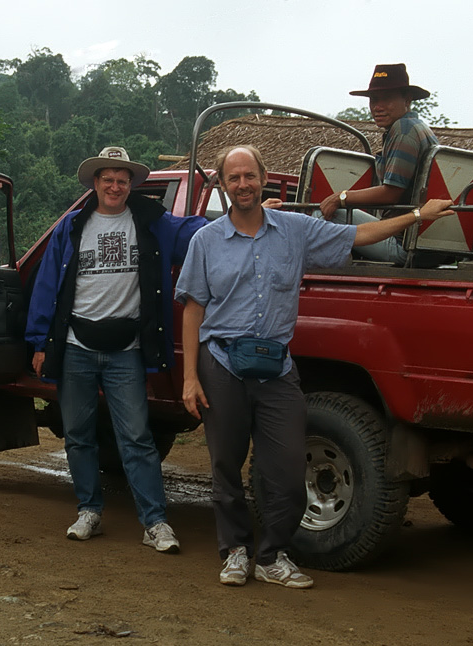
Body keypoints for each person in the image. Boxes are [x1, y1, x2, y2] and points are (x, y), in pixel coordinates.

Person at [175, 145, 453, 588]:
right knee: (225, 465)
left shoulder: (295, 230)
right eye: (233, 178)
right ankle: (235, 552)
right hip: (221, 361)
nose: (242, 184)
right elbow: (192, 308)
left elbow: (361, 237)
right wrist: (190, 377)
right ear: (223, 186)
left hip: (276, 365)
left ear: (263, 178)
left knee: (286, 470)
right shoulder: (205, 241)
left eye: (249, 175)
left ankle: (272, 556)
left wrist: (418, 216)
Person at [25, 147, 205, 552]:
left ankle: (155, 522)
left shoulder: (152, 223)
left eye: (122, 179)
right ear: (95, 183)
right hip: (75, 347)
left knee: (137, 437)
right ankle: (89, 510)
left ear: (131, 185)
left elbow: (196, 233)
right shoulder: (71, 227)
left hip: (127, 349)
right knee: (78, 435)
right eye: (107, 178)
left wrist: (244, 219)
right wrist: (39, 342)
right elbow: (46, 286)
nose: (115, 185)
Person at [319, 63, 441, 267]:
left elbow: (391, 193)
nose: (378, 106)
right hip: (421, 243)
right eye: (374, 100)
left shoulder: (403, 130)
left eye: (387, 98)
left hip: (403, 244)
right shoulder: (416, 127)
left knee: (321, 216)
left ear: (407, 100)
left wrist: (342, 197)